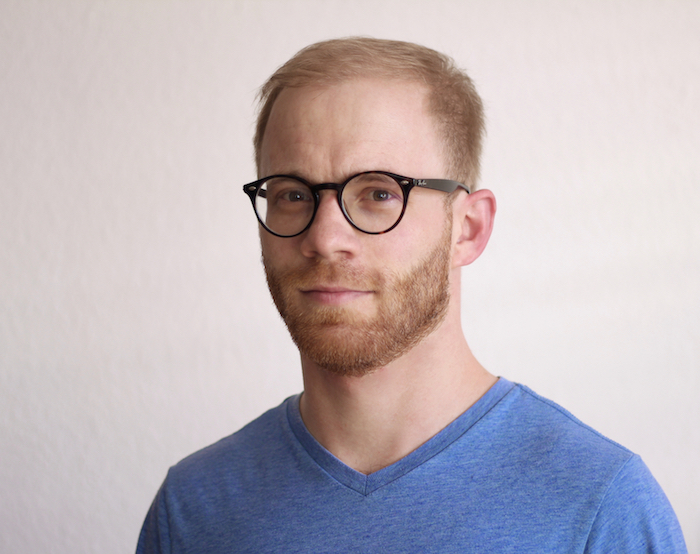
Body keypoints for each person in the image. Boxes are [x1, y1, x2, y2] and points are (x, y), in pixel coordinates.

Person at [136, 37, 686, 553]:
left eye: (378, 193)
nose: (324, 238)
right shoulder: (193, 509)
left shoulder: (599, 508)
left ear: (468, 228)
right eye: (293, 195)